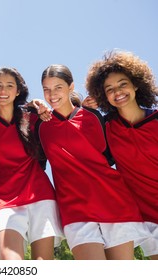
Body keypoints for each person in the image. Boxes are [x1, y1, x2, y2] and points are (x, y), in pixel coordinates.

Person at [31, 64, 149, 260]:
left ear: (71, 87)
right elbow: (12, 104)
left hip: (113, 202)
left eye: (58, 87)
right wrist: (33, 104)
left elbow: (110, 157)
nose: (52, 94)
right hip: (76, 210)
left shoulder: (93, 116)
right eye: (46, 89)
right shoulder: (41, 126)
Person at [85, 50, 158, 260]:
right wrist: (83, 108)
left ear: (135, 84)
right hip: (146, 218)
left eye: (123, 84)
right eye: (110, 89)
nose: (118, 91)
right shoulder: (107, 126)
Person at [0, 67, 63, 260]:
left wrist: (87, 106)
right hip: (5, 200)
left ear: (18, 91)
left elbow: (63, 121)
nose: (4, 91)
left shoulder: (32, 117)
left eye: (9, 86)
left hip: (40, 196)